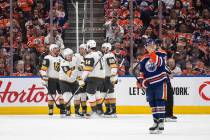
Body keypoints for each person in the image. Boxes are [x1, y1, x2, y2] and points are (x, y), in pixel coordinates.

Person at [136, 38, 168, 134]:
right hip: (149, 84)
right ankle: (155, 122)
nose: (151, 47)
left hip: (160, 82)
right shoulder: (144, 58)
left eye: (153, 45)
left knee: (159, 100)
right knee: (152, 102)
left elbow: (160, 63)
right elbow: (142, 71)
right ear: (145, 47)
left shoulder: (161, 54)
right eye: (149, 45)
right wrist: (140, 80)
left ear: (155, 46)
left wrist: (151, 53)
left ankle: (161, 121)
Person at [77, 40, 105, 117]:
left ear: (89, 47)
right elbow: (87, 65)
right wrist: (82, 66)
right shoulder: (99, 54)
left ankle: (94, 111)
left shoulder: (90, 55)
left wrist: (81, 79)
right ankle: (100, 110)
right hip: (101, 77)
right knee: (97, 93)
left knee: (90, 93)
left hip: (93, 77)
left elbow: (87, 69)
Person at [39, 44, 65, 117]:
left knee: (62, 95)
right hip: (51, 79)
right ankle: (50, 111)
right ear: (51, 50)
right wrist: (44, 76)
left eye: (57, 48)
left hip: (60, 79)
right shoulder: (47, 58)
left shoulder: (61, 58)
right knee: (51, 95)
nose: (57, 50)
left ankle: (62, 111)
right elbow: (43, 69)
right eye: (55, 48)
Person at [59, 48, 82, 117]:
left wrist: (80, 79)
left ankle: (77, 111)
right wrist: (78, 71)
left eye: (71, 55)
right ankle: (68, 110)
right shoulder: (63, 63)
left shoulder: (75, 59)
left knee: (78, 96)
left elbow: (81, 66)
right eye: (68, 55)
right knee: (67, 96)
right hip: (64, 81)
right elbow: (70, 74)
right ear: (65, 56)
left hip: (73, 81)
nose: (70, 56)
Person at [101, 43, 118, 117]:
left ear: (108, 48)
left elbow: (113, 67)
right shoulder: (104, 55)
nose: (103, 49)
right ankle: (108, 109)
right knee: (104, 94)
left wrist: (113, 76)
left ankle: (113, 111)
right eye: (102, 47)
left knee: (110, 94)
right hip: (103, 78)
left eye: (105, 48)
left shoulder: (109, 55)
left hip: (108, 77)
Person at [74, 43, 88, 116]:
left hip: (86, 78)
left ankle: (84, 109)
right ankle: (76, 110)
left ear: (85, 49)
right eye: (79, 48)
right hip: (78, 78)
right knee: (77, 95)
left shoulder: (88, 57)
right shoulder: (76, 56)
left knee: (84, 95)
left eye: (82, 48)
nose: (80, 50)